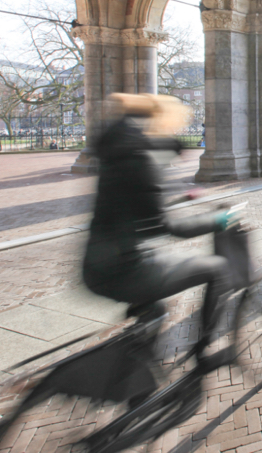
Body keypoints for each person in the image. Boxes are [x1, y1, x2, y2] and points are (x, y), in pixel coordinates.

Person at [82, 93, 236, 360]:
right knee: (219, 270)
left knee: (153, 312)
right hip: (127, 269)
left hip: (97, 265)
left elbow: (136, 204)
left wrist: (178, 198)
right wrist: (216, 220)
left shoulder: (118, 151)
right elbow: (165, 227)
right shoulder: (141, 158)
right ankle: (204, 353)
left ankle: (141, 391)